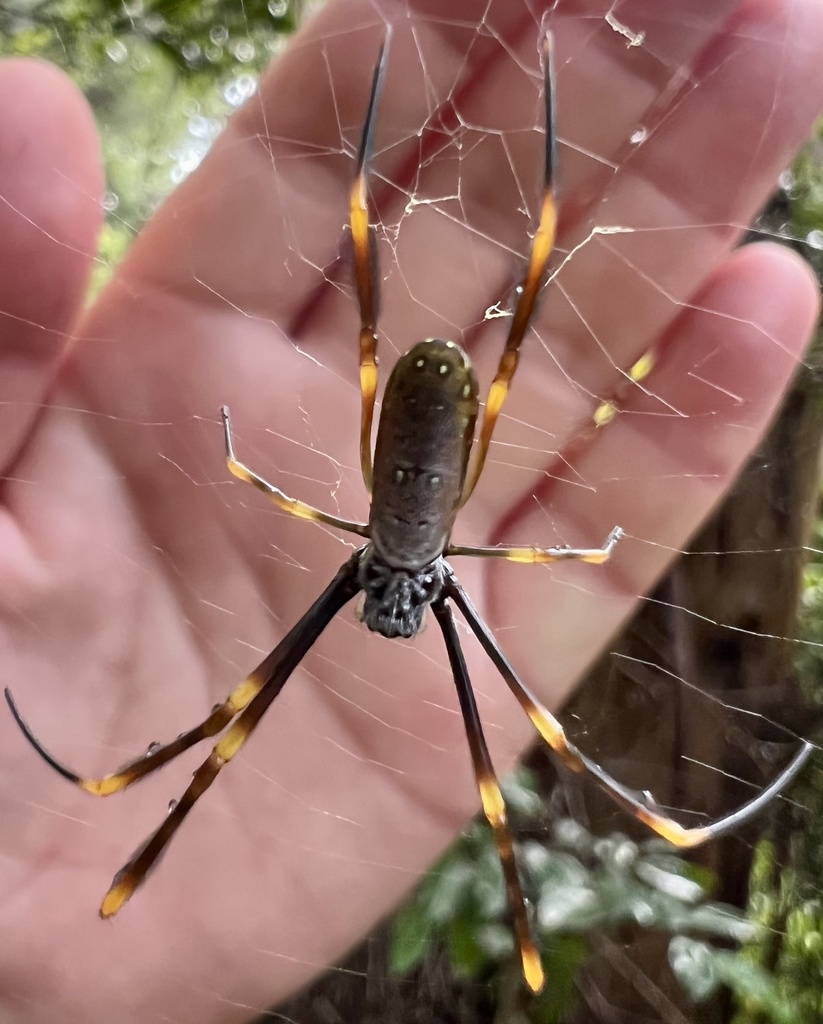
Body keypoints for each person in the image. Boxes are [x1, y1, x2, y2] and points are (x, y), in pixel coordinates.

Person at [0, 1, 821, 1021]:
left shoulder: (394, 563)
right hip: (423, 487)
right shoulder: (418, 572)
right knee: (240, 722)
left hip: (414, 476)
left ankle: (518, 931)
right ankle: (123, 844)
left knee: (467, 382)